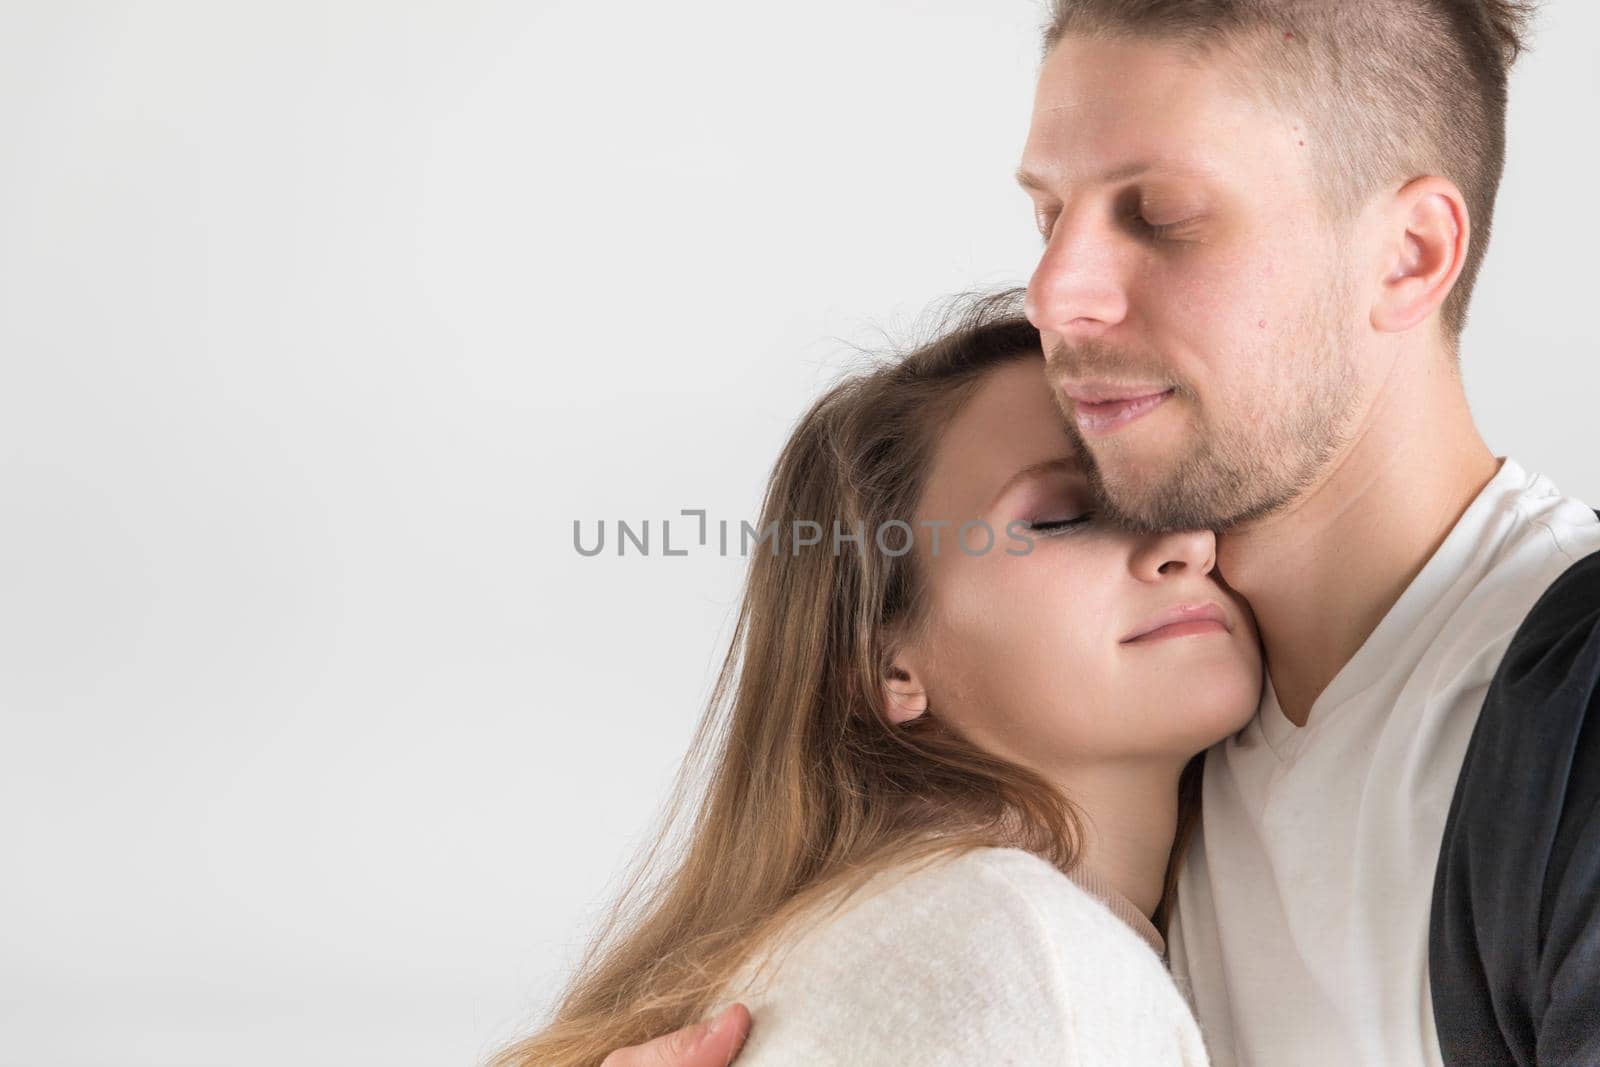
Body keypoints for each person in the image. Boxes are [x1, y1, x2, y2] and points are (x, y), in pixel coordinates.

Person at [604, 1, 1600, 1065]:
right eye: (1048, 216)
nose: (1053, 293)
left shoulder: (1562, 716)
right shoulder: (1119, 756)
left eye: (1162, 215)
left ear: (1408, 255)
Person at [490, 296, 1264, 1065]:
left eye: (1184, 492)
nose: (1186, 543)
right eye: (1061, 514)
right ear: (887, 666)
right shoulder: (1027, 959)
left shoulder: (897, 938)